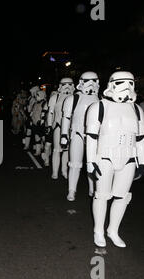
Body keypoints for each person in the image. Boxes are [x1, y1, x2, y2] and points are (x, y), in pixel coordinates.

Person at [86, 71, 144, 248]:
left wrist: (143, 162)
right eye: (122, 82)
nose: (127, 87)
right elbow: (91, 136)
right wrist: (90, 161)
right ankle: (98, 230)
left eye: (131, 83)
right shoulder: (98, 107)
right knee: (102, 195)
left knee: (122, 197)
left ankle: (113, 230)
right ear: (112, 84)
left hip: (128, 158)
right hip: (104, 157)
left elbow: (141, 138)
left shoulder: (136, 110)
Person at [61, 72, 100, 201]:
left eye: (94, 81)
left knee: (92, 163)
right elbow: (66, 118)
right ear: (81, 82)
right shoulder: (73, 99)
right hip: (77, 133)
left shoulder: (100, 99)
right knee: (74, 164)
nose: (91, 84)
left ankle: (92, 188)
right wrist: (64, 135)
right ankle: (72, 190)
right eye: (88, 81)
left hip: (94, 136)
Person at [46, 78, 75, 180]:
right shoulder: (55, 97)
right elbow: (50, 112)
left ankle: (64, 170)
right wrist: (49, 125)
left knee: (67, 150)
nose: (67, 86)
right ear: (60, 85)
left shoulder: (75, 97)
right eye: (64, 84)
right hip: (58, 125)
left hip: (71, 127)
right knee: (57, 150)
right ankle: (55, 172)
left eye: (69, 84)